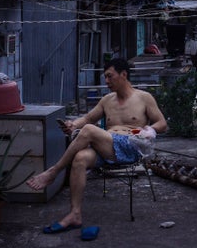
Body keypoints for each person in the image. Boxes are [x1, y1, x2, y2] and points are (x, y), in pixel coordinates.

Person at [26, 57, 168, 233]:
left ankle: (53, 172)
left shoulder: (144, 98)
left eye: (110, 76)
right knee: (80, 158)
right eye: (105, 77)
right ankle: (75, 214)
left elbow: (162, 123)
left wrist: (150, 130)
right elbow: (87, 119)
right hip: (108, 147)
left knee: (88, 131)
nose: (106, 81)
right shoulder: (107, 100)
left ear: (123, 75)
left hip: (131, 146)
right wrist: (73, 125)